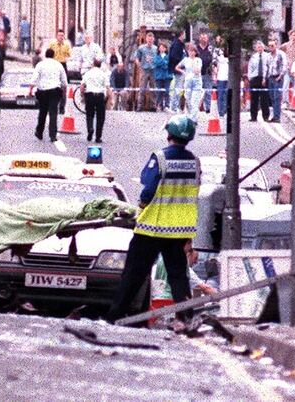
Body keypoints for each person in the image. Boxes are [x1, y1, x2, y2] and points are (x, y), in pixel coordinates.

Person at [106, 115, 200, 324]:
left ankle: (115, 316)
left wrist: (140, 206)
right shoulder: (195, 162)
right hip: (178, 229)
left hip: (152, 228)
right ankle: (186, 318)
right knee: (178, 276)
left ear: (169, 134)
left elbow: (148, 187)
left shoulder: (160, 158)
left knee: (133, 274)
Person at [29, 49, 67, 142]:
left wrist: (30, 90)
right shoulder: (58, 65)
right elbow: (64, 81)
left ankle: (39, 132)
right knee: (53, 113)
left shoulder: (40, 65)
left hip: (42, 91)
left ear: (45, 55)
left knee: (42, 112)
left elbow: (34, 79)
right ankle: (52, 135)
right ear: (54, 55)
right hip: (54, 91)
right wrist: (64, 92)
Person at [81, 59, 109, 143]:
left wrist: (82, 95)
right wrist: (108, 98)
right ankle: (98, 137)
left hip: (89, 95)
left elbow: (82, 86)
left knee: (89, 114)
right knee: (100, 117)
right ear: (100, 65)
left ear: (93, 65)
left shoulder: (88, 73)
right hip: (100, 96)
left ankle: (90, 128)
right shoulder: (103, 74)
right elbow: (107, 88)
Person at [175, 43, 203, 122]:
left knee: (195, 101)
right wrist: (183, 72)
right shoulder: (185, 60)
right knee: (188, 100)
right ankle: (191, 116)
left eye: (193, 51)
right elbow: (177, 67)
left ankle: (193, 119)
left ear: (195, 52)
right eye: (190, 51)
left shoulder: (198, 60)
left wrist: (194, 65)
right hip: (188, 81)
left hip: (196, 81)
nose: (191, 53)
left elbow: (198, 71)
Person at [247, 40, 271, 122]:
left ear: (263, 48)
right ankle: (253, 116)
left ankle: (266, 116)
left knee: (264, 98)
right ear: (256, 48)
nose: (259, 48)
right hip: (255, 78)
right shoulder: (253, 57)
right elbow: (250, 68)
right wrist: (250, 77)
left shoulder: (268, 56)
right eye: (258, 47)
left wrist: (267, 77)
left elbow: (269, 67)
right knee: (254, 99)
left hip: (264, 78)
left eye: (261, 47)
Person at [134, 32, 158, 111]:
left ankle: (153, 106)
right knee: (142, 88)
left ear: (153, 39)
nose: (150, 40)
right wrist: (139, 65)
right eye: (149, 39)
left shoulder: (156, 48)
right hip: (144, 69)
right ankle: (139, 106)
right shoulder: (141, 48)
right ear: (146, 39)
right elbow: (137, 58)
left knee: (153, 88)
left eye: (151, 39)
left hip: (153, 70)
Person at [266, 39, 287, 123]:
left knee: (277, 97)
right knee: (272, 98)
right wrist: (265, 78)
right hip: (270, 77)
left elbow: (284, 65)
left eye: (272, 45)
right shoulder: (268, 55)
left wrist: (281, 75)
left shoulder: (281, 54)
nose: (271, 47)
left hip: (278, 77)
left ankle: (277, 117)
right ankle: (274, 116)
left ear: (276, 46)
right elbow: (266, 66)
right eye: (269, 46)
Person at [168, 30, 187, 113]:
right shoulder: (177, 44)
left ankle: (175, 106)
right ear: (181, 35)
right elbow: (173, 57)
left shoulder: (181, 45)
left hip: (180, 70)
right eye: (184, 34)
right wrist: (180, 64)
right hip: (178, 70)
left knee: (179, 88)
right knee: (177, 88)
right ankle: (174, 107)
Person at [280, 30, 295, 107]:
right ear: (289, 36)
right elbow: (279, 51)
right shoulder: (285, 45)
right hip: (288, 68)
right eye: (292, 35)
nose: (293, 37)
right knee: (285, 85)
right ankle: (285, 102)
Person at [196, 33, 214, 113]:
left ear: (207, 39)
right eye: (202, 37)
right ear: (199, 38)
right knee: (197, 92)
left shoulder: (210, 49)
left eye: (205, 38)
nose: (203, 39)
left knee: (208, 91)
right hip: (198, 74)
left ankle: (208, 108)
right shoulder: (196, 48)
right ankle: (197, 108)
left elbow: (214, 60)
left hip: (208, 73)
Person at [153, 42, 173, 112]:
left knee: (167, 91)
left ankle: (167, 106)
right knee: (159, 92)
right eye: (160, 47)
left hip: (167, 76)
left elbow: (168, 64)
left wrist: (163, 63)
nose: (162, 49)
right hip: (159, 76)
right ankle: (159, 105)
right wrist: (163, 62)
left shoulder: (168, 56)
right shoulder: (156, 56)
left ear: (165, 48)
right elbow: (156, 63)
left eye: (163, 47)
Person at [213, 47, 229, 118]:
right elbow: (215, 64)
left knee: (227, 95)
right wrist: (215, 76)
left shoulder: (229, 54)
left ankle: (225, 111)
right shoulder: (217, 53)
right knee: (220, 95)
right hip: (220, 77)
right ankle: (221, 112)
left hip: (228, 78)